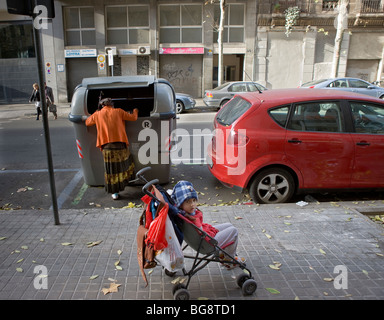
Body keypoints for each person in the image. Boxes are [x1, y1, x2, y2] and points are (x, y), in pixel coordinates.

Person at [171, 180, 245, 269]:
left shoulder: (183, 214)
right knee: (233, 231)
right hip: (206, 244)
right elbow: (202, 233)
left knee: (229, 225)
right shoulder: (192, 218)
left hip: (201, 239)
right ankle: (229, 260)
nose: (192, 205)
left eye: (194, 200)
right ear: (180, 204)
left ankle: (224, 255)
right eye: (188, 202)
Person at [84, 98, 138, 200]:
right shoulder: (119, 111)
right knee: (125, 164)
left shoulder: (98, 114)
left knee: (111, 170)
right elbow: (133, 118)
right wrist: (135, 110)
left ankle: (114, 193)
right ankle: (127, 181)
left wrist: (96, 112)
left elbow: (87, 122)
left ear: (102, 105)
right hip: (120, 146)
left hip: (107, 147)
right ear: (112, 104)